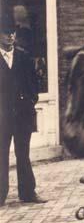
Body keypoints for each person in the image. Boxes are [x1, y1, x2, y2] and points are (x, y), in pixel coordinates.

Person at [0, 14, 46, 206]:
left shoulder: (23, 56)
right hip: (2, 117)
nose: (10, 36)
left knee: (23, 154)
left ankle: (27, 193)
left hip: (22, 116)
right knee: (1, 154)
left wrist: (30, 101)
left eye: (12, 33)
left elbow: (33, 85)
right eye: (5, 33)